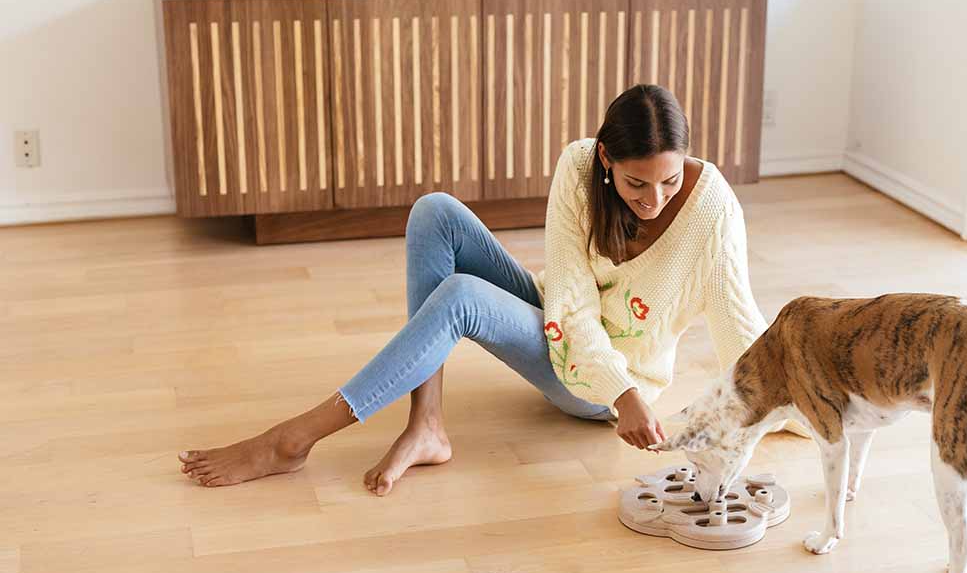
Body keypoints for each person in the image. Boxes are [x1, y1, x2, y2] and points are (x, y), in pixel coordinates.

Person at [178, 84, 791, 496]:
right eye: (636, 184)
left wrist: (803, 411)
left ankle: (294, 439)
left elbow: (741, 326)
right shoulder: (579, 165)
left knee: (464, 297)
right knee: (435, 211)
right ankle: (428, 425)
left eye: (667, 180)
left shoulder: (712, 210)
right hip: (564, 330)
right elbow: (571, 303)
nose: (653, 200)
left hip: (600, 391)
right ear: (606, 157)